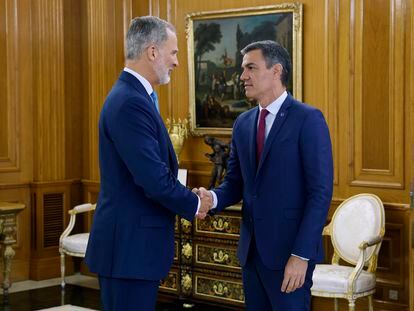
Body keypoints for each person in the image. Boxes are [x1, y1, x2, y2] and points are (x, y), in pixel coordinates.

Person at [84, 16, 212, 311]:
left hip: (132, 249)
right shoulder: (131, 102)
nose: (177, 62)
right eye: (174, 52)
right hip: (128, 250)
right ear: (152, 52)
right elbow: (153, 179)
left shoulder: (136, 97)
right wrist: (194, 203)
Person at [196, 40, 333, 310]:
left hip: (289, 256)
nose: (242, 76)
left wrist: (301, 255)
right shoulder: (243, 124)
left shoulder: (308, 119)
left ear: (276, 71)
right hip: (251, 255)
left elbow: (320, 193)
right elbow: (235, 182)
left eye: (250, 68)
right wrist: (211, 198)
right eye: (242, 68)